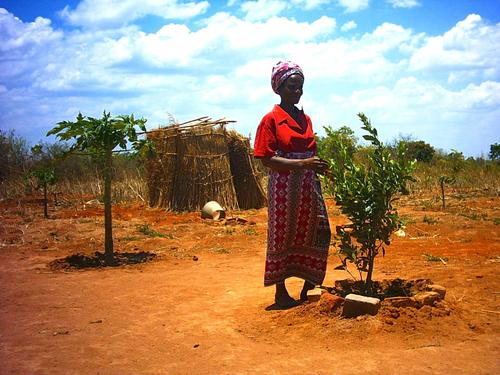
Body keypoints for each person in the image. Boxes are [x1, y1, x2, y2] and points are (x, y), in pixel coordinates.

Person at [253, 60, 331, 308]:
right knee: (282, 236)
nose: (297, 92)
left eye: (300, 87)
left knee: (321, 231)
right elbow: (266, 159)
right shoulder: (271, 120)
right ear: (279, 88)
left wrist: (317, 167)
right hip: (284, 187)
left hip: (309, 184)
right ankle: (281, 292)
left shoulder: (305, 118)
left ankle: (310, 285)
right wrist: (303, 164)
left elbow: (309, 150)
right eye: (292, 88)